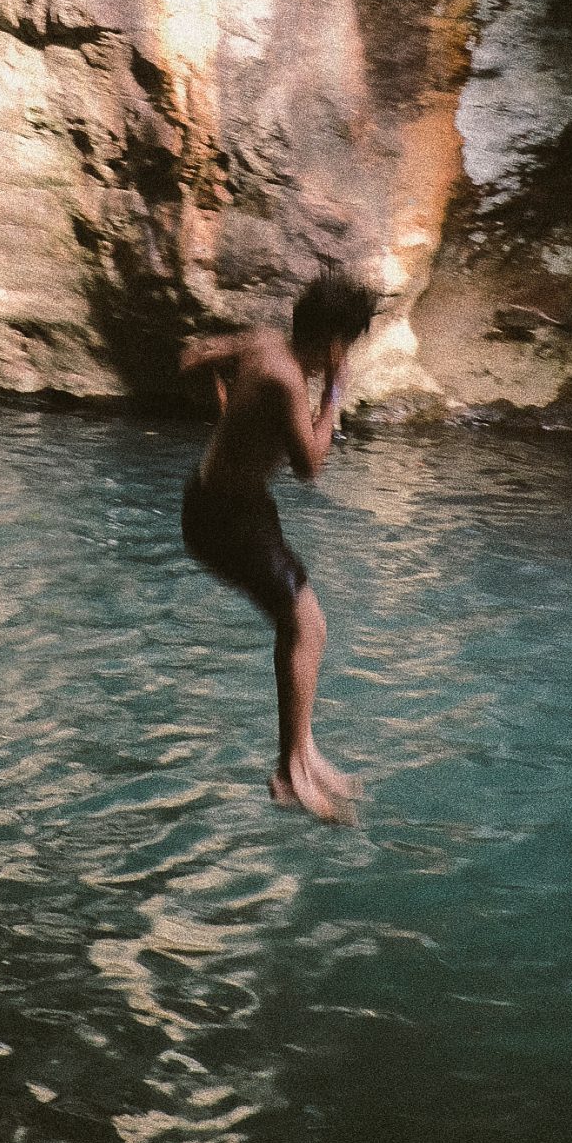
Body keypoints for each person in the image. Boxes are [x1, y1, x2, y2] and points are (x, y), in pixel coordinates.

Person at [179, 268, 379, 824]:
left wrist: (230, 415)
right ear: (336, 344)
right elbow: (311, 465)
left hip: (227, 503)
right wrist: (335, 390)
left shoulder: (264, 342)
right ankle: (292, 770)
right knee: (306, 625)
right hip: (224, 518)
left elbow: (195, 356)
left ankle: (302, 753)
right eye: (346, 346)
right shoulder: (287, 379)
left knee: (304, 624)